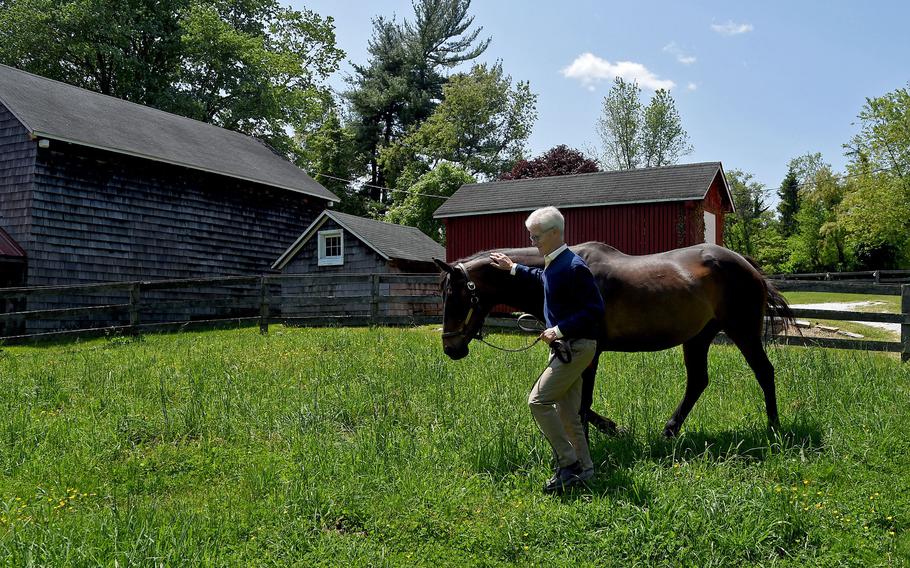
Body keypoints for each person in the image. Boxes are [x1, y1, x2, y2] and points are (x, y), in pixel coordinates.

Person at [489, 206, 605, 494]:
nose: (533, 241)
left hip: (577, 346)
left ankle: (569, 464)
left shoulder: (575, 266)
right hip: (566, 347)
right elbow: (544, 280)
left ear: (554, 233)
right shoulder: (554, 264)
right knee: (568, 414)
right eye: (531, 236)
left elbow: (595, 310)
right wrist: (513, 267)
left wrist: (559, 330)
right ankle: (586, 471)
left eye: (536, 236)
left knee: (537, 402)